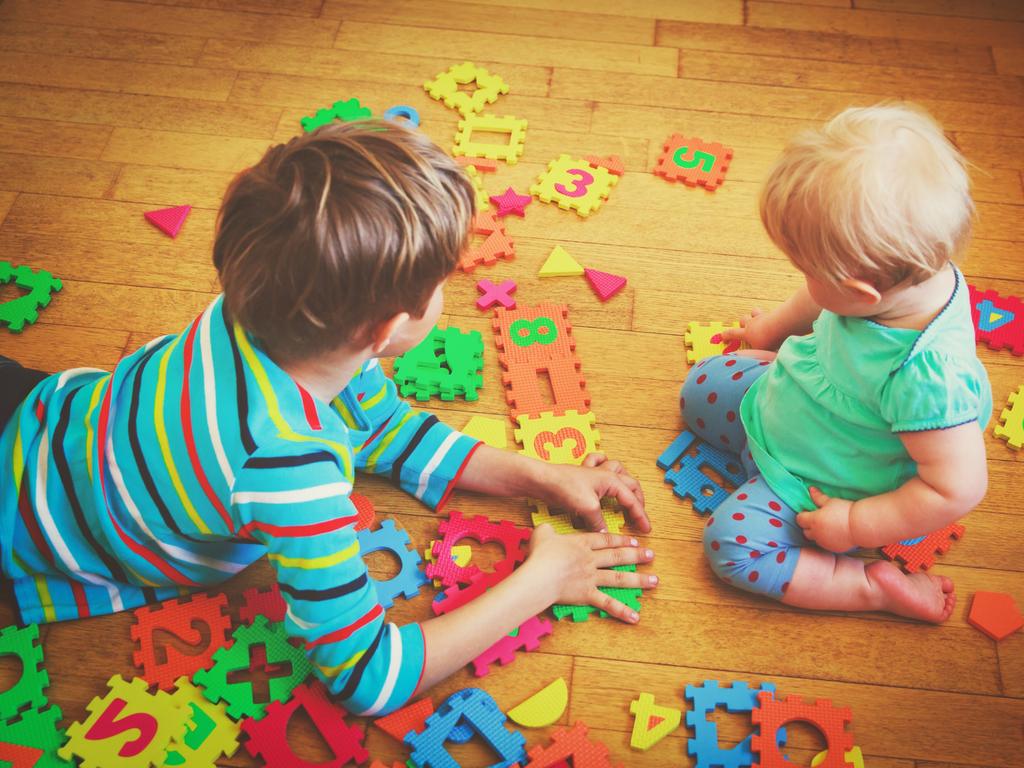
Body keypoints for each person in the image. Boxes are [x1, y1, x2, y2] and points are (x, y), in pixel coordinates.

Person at [0, 120, 656, 715]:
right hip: (30, 520)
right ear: (390, 328)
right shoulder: (288, 471)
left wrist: (539, 476)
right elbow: (371, 679)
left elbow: (384, 430)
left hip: (42, 413)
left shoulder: (263, 310)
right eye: (443, 282)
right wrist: (543, 580)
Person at [683, 103, 990, 623]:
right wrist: (770, 332)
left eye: (806, 269)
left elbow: (956, 487)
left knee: (731, 548)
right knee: (699, 388)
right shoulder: (900, 277)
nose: (802, 278)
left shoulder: (925, 378)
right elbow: (820, 301)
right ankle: (764, 411)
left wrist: (855, 523)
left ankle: (871, 587)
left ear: (861, 292)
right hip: (791, 406)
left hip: (822, 483)